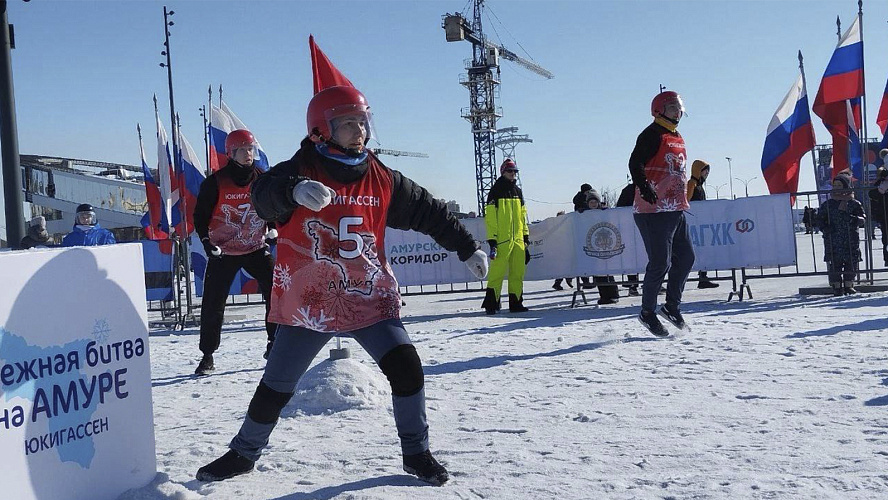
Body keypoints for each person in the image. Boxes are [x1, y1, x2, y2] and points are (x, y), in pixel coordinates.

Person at [195, 85, 488, 486]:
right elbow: (263, 197)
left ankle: (417, 453)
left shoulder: (382, 177)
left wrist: (465, 246)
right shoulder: (296, 169)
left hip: (368, 298)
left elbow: (429, 211)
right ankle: (244, 453)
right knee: (276, 386)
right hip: (308, 302)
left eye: (362, 121)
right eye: (347, 122)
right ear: (320, 129)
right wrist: (292, 192)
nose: (358, 131)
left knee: (407, 369)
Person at [192, 129, 278, 375]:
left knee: (277, 290)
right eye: (243, 150)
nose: (248, 154)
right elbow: (200, 216)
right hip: (224, 251)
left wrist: (272, 228)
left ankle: (274, 343)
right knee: (213, 302)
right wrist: (207, 242)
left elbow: (270, 208)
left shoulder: (262, 178)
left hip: (255, 247)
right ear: (231, 153)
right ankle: (207, 355)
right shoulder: (216, 182)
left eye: (251, 149)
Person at [628, 90, 695, 337]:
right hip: (652, 210)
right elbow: (634, 163)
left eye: (679, 107)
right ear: (659, 110)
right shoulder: (651, 134)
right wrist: (644, 187)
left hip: (675, 208)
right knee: (660, 263)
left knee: (686, 258)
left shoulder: (676, 135)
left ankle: (671, 307)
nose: (678, 111)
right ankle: (647, 313)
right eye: (672, 107)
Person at [481, 158, 530, 314]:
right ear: (503, 172)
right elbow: (490, 218)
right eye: (510, 171)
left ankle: (516, 303)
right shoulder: (495, 191)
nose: (513, 174)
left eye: (515, 171)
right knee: (497, 273)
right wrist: (492, 240)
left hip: (518, 240)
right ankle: (491, 304)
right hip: (502, 240)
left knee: (518, 273)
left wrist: (525, 236)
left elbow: (523, 216)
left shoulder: (518, 191)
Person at [819, 171, 866, 296]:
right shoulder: (828, 204)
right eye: (835, 185)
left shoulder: (854, 203)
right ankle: (836, 286)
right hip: (833, 238)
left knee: (851, 262)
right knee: (835, 263)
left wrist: (853, 219)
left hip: (850, 238)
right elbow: (820, 219)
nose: (837, 188)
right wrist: (825, 227)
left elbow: (863, 219)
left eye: (840, 185)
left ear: (846, 186)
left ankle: (849, 284)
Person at [580, 189, 620, 305]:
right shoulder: (585, 215)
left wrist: (605, 211)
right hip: (593, 247)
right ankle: (604, 296)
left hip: (605, 248)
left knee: (607, 272)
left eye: (595, 202)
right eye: (591, 202)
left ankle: (613, 294)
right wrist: (580, 213)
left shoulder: (603, 212)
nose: (593, 204)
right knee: (597, 274)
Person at [686, 159, 718, 289]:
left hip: (701, 224)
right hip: (693, 224)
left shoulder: (699, 186)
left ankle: (703, 277)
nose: (706, 174)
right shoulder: (691, 184)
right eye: (705, 171)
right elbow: (687, 200)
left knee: (703, 252)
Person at [616, 182, 640, 296]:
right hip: (630, 228)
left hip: (648, 225)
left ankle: (656, 283)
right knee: (631, 257)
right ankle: (632, 284)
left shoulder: (652, 185)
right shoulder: (628, 190)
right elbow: (619, 208)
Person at [868, 165, 888, 266]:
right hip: (884, 216)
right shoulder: (879, 184)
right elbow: (871, 194)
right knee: (886, 238)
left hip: (883, 215)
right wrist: (881, 191)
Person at [551, 210, 574, 290]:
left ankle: (568, 279)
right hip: (559, 250)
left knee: (570, 265)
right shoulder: (555, 227)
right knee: (562, 267)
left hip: (567, 249)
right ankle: (558, 282)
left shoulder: (568, 226)